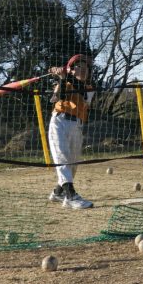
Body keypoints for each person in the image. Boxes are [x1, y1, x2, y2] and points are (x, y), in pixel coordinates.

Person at [46, 53, 95, 209]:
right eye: (78, 66)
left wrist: (65, 75)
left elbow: (81, 93)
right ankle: (70, 196)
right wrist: (61, 78)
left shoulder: (89, 88)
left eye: (86, 67)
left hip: (77, 126)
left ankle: (58, 192)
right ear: (71, 70)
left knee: (72, 165)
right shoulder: (64, 83)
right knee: (62, 158)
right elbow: (60, 97)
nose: (83, 70)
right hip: (59, 122)